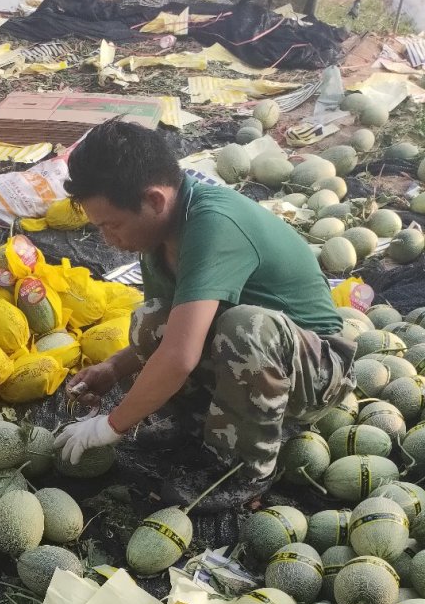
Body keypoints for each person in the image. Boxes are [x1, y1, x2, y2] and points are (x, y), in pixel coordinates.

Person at [54, 119, 356, 511]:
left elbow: (180, 356)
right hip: (260, 357)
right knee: (152, 319)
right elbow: (172, 334)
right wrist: (113, 368)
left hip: (316, 371)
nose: (109, 239)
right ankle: (193, 422)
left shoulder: (213, 225)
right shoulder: (158, 238)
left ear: (155, 200)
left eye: (112, 224)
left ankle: (244, 469)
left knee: (245, 328)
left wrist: (112, 424)